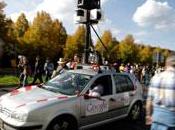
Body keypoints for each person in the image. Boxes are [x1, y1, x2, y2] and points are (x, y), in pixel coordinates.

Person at [146, 55, 175, 130]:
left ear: (166, 64)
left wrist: (148, 115)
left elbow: (149, 100)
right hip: (171, 120)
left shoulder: (156, 77)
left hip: (156, 117)